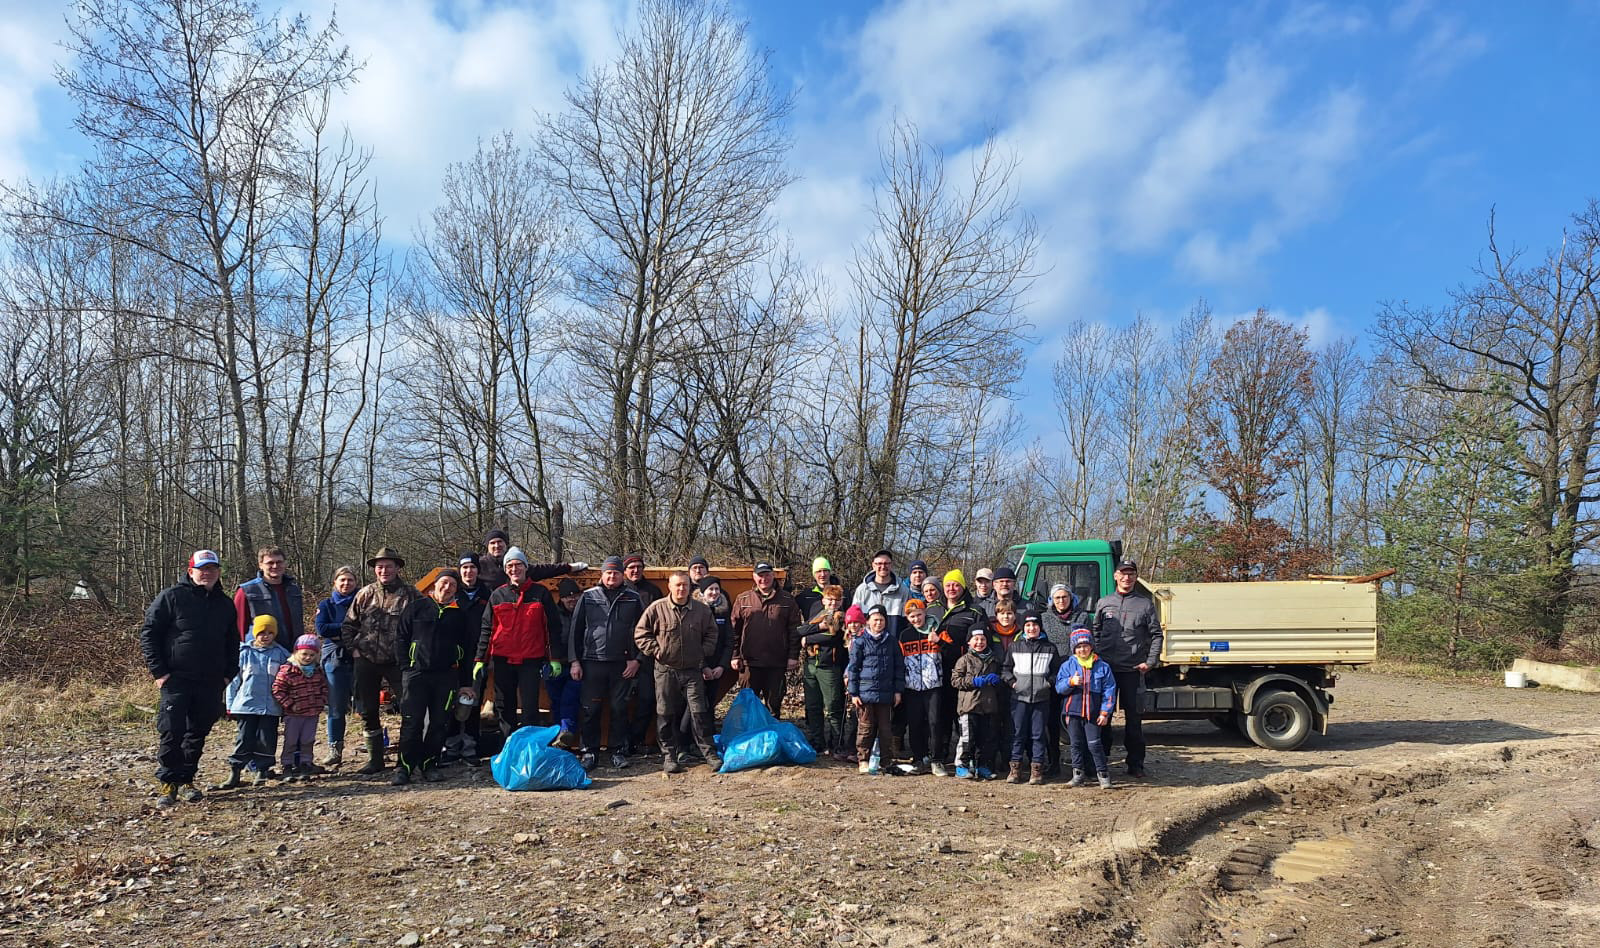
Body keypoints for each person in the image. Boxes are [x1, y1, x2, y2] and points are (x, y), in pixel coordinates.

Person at [140, 549, 238, 807]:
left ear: (218, 572)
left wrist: (229, 674)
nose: (207, 573)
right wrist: (159, 672)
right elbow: (149, 634)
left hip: (211, 680)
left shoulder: (225, 604)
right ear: (190, 570)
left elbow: (232, 642)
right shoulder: (172, 597)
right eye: (202, 569)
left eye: (212, 569)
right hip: (176, 678)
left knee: (197, 732)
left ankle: (186, 780)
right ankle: (168, 783)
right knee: (172, 730)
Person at [634, 571, 724, 773]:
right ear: (670, 586)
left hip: (693, 671)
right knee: (665, 713)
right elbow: (640, 634)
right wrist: (657, 651)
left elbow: (712, 633)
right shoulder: (657, 608)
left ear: (690, 587)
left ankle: (709, 753)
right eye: (677, 585)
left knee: (699, 712)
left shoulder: (701, 610)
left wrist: (703, 652)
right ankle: (669, 756)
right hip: (666, 670)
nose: (682, 589)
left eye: (685, 585)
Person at [474, 547, 564, 746]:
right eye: (510, 566)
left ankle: (529, 749)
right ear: (506, 570)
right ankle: (508, 747)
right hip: (502, 660)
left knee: (530, 708)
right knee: (504, 706)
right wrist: (480, 659)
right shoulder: (497, 595)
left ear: (525, 567)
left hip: (531, 661)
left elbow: (553, 629)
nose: (514, 569)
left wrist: (554, 658)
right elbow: (487, 630)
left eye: (518, 564)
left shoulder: (540, 594)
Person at [342, 546, 419, 776]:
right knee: (367, 710)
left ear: (397, 567)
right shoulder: (364, 593)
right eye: (379, 566)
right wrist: (353, 649)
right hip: (366, 660)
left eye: (388, 566)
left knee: (409, 709)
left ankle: (404, 760)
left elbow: (423, 625)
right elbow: (348, 625)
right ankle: (375, 760)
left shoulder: (411, 595)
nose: (384, 570)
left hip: (399, 662)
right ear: (375, 570)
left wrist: (413, 655)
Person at [393, 570, 474, 785]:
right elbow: (400, 637)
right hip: (415, 674)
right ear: (434, 585)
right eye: (444, 583)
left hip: (446, 676)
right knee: (412, 722)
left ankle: (430, 764)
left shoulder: (460, 614)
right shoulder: (416, 607)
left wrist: (466, 683)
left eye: (452, 586)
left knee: (439, 723)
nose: (447, 588)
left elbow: (467, 650)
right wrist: (406, 666)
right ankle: (404, 766)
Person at [569, 556, 647, 770]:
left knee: (619, 708)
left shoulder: (633, 598)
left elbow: (644, 632)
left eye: (616, 573)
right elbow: (575, 631)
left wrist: (637, 660)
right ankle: (589, 752)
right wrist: (574, 661)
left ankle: (618, 751)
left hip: (623, 664)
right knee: (590, 709)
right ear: (601, 575)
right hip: (592, 662)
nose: (612, 576)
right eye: (608, 573)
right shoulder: (588, 597)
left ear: (622, 575)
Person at [1093, 558, 1163, 779]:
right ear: (1115, 576)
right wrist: (1096, 658)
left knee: (1134, 720)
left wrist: (1150, 662)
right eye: (1123, 573)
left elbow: (1156, 635)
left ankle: (1135, 764)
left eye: (1131, 573)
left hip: (1132, 670)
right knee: (1103, 717)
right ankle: (1101, 761)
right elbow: (1095, 631)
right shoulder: (1104, 603)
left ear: (1135, 577)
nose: (1126, 577)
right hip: (1106, 670)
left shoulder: (1144, 604)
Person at [218, 615, 289, 789]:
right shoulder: (244, 653)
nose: (266, 636)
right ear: (255, 633)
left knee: (267, 739)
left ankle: (261, 771)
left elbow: (289, 679)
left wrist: (287, 705)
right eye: (262, 632)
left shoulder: (281, 654)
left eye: (270, 632)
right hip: (246, 705)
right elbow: (234, 681)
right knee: (244, 738)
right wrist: (230, 705)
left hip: (271, 707)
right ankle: (235, 771)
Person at [927, 570, 985, 777]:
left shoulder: (974, 611)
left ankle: (967, 759)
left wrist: (941, 642)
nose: (952, 589)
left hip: (964, 674)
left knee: (964, 719)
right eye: (948, 585)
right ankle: (939, 756)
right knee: (941, 716)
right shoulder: (935, 609)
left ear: (963, 587)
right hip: (938, 672)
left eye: (956, 585)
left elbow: (978, 645)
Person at [730, 562, 802, 716]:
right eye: (760, 575)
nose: (764, 578)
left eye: (767, 574)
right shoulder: (743, 599)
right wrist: (735, 655)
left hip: (776, 663)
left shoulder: (787, 600)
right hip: (749, 663)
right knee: (749, 706)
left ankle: (772, 736)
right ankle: (750, 737)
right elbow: (734, 631)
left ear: (773, 575)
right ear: (754, 577)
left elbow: (794, 630)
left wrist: (793, 656)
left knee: (774, 706)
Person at [1002, 609, 1060, 785]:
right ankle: (1015, 769)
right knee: (1018, 733)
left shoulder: (1050, 647)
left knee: (1038, 734)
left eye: (1034, 625)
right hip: (1019, 697)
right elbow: (1005, 669)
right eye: (1027, 625)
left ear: (1040, 627)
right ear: (1023, 627)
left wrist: (1048, 683)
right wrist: (1013, 683)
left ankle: (1037, 770)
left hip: (1041, 698)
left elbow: (1057, 671)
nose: (1031, 628)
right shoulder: (1015, 646)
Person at [446, 552, 493, 762]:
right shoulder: (451, 594)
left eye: (472, 567)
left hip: (478, 658)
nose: (468, 571)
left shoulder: (488, 594)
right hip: (452, 658)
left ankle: (471, 747)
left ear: (478, 571)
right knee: (451, 702)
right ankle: (451, 746)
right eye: (464, 568)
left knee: (473, 702)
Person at [846, 605, 903, 775]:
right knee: (866, 728)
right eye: (875, 619)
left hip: (886, 694)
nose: (878, 623)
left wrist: (898, 691)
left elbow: (899, 667)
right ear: (868, 621)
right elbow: (853, 668)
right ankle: (863, 759)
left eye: (881, 620)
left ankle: (886, 761)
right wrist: (854, 692)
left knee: (886, 730)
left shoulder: (892, 641)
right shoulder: (860, 642)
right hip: (865, 694)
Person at [1056, 629, 1116, 789]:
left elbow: (1109, 690)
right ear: (1074, 649)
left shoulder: (1102, 666)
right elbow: (1059, 688)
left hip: (1093, 714)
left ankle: (1103, 775)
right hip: (1073, 712)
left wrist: (1105, 712)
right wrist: (1070, 682)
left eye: (1086, 645)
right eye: (1079, 646)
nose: (1082, 649)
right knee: (1075, 744)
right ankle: (1077, 775)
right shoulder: (1067, 665)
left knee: (1095, 744)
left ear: (1091, 647)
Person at [1039, 583, 1088, 776]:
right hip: (1052, 675)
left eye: (1065, 597)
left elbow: (1089, 643)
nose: (1061, 601)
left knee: (1078, 720)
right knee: (1051, 722)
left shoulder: (1082, 617)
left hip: (1077, 677)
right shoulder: (1044, 618)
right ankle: (1053, 762)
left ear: (1071, 599)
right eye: (1057, 598)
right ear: (1052, 600)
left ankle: (1083, 763)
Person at [313, 565, 359, 766]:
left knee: (366, 705)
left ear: (356, 583)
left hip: (360, 655)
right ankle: (335, 749)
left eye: (350, 580)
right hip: (334, 658)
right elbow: (322, 628)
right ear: (335, 582)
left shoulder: (363, 602)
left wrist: (340, 630)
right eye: (342, 580)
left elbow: (370, 626)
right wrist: (349, 627)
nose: (346, 584)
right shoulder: (327, 605)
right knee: (336, 706)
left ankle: (374, 749)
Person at [799, 584, 847, 759]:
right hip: (811, 663)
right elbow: (800, 630)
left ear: (841, 601)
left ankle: (837, 744)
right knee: (813, 706)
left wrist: (808, 638)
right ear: (824, 600)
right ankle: (817, 742)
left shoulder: (841, 616)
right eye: (830, 599)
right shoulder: (819, 614)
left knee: (834, 706)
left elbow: (832, 636)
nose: (833, 603)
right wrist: (817, 629)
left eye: (836, 600)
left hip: (830, 666)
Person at [273, 634, 329, 780]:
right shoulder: (287, 671)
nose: (307, 657)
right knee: (290, 740)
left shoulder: (317, 671)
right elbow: (278, 690)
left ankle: (305, 763)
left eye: (312, 654)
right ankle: (287, 765)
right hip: (293, 714)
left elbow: (324, 688)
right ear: (296, 652)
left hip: (312, 713)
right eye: (304, 654)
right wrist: (290, 704)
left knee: (307, 740)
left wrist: (321, 701)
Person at [897, 598, 944, 775]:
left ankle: (937, 759)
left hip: (934, 685)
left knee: (934, 722)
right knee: (915, 723)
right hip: (912, 687)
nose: (916, 619)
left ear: (925, 613)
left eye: (919, 615)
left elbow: (949, 652)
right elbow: (900, 661)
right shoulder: (905, 635)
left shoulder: (937, 629)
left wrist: (938, 641)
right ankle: (919, 758)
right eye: (912, 616)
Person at [949, 627, 1001, 781]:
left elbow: (1000, 681)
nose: (979, 642)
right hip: (969, 706)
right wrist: (973, 681)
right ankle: (962, 766)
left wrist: (997, 680)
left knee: (984, 739)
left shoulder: (994, 660)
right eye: (976, 639)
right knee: (967, 738)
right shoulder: (964, 660)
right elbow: (955, 680)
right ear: (969, 642)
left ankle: (981, 766)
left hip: (987, 706)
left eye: (983, 639)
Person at [233, 546, 305, 650]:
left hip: (293, 653)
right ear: (260, 565)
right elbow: (239, 628)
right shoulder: (247, 591)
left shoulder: (294, 590)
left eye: (279, 562)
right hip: (261, 655)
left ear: (285, 564)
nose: (275, 566)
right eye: (270, 563)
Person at [551, 578, 586, 748]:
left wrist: (577, 661)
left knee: (570, 699)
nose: (572, 600)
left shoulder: (584, 613)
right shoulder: (552, 614)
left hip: (578, 664)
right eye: (568, 597)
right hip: (554, 663)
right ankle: (558, 735)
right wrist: (551, 659)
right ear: (561, 598)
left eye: (575, 596)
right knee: (555, 701)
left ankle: (566, 732)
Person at [851, 550, 910, 636]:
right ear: (873, 565)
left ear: (891, 565)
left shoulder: (903, 591)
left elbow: (909, 621)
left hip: (893, 645)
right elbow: (855, 619)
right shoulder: (862, 590)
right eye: (879, 564)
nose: (883, 566)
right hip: (867, 645)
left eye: (886, 563)